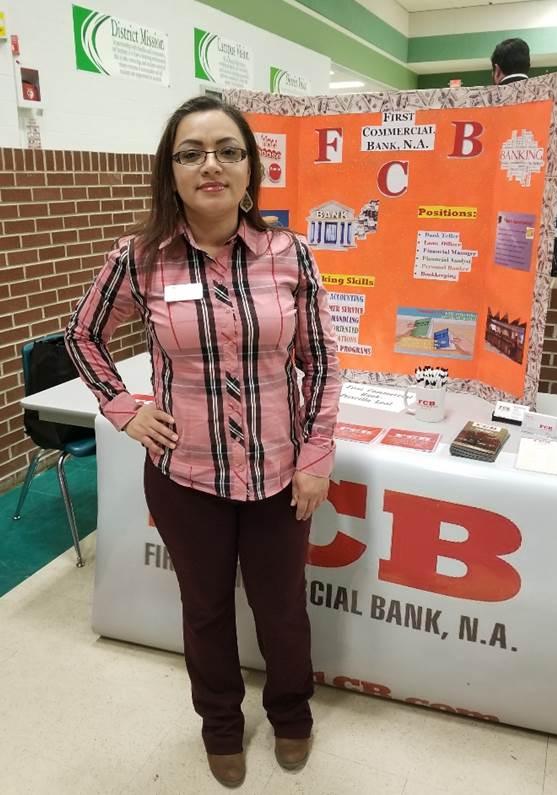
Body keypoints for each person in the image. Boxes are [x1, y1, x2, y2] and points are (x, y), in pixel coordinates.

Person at [65, 95, 341, 787]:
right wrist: (122, 407)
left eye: (227, 150)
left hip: (280, 476)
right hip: (186, 475)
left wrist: (314, 457)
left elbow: (324, 361)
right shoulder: (140, 258)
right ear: (171, 171)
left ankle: (291, 714)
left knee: (281, 611)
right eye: (190, 153)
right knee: (205, 609)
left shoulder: (290, 254)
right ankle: (220, 724)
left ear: (251, 168)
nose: (209, 165)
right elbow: (81, 334)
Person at [491, 38, 557, 236]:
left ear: (496, 70)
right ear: (528, 65)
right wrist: (551, 207)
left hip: (498, 214)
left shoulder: (487, 102)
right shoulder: (553, 98)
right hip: (541, 213)